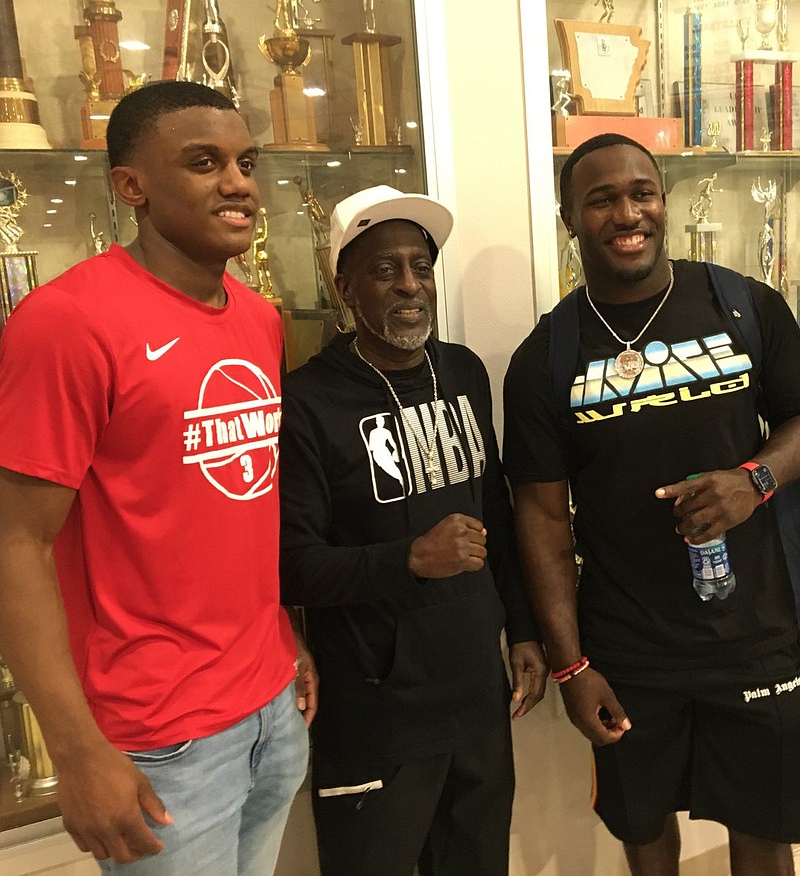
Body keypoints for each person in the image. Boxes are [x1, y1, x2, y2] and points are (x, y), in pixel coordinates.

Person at [0, 81, 316, 875]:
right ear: (131, 186)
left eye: (247, 162)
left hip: (269, 706)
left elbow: (228, 506)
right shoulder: (67, 323)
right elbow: (15, 542)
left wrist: (281, 637)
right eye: (204, 163)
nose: (239, 183)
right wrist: (75, 752)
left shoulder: (259, 317)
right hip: (158, 737)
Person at [503, 132, 800, 876]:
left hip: (755, 632)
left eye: (642, 191)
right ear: (571, 219)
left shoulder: (743, 305)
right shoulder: (547, 356)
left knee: (765, 830)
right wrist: (571, 667)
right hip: (628, 651)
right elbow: (539, 515)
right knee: (645, 834)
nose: (626, 212)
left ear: (662, 202)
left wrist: (755, 480)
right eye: (601, 198)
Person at [279, 185, 547, 876]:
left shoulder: (461, 371)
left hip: (475, 697)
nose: (408, 285)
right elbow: (293, 566)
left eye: (420, 267)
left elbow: (496, 505)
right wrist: (411, 559)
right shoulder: (308, 401)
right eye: (383, 268)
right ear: (344, 286)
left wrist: (520, 626)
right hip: (375, 713)